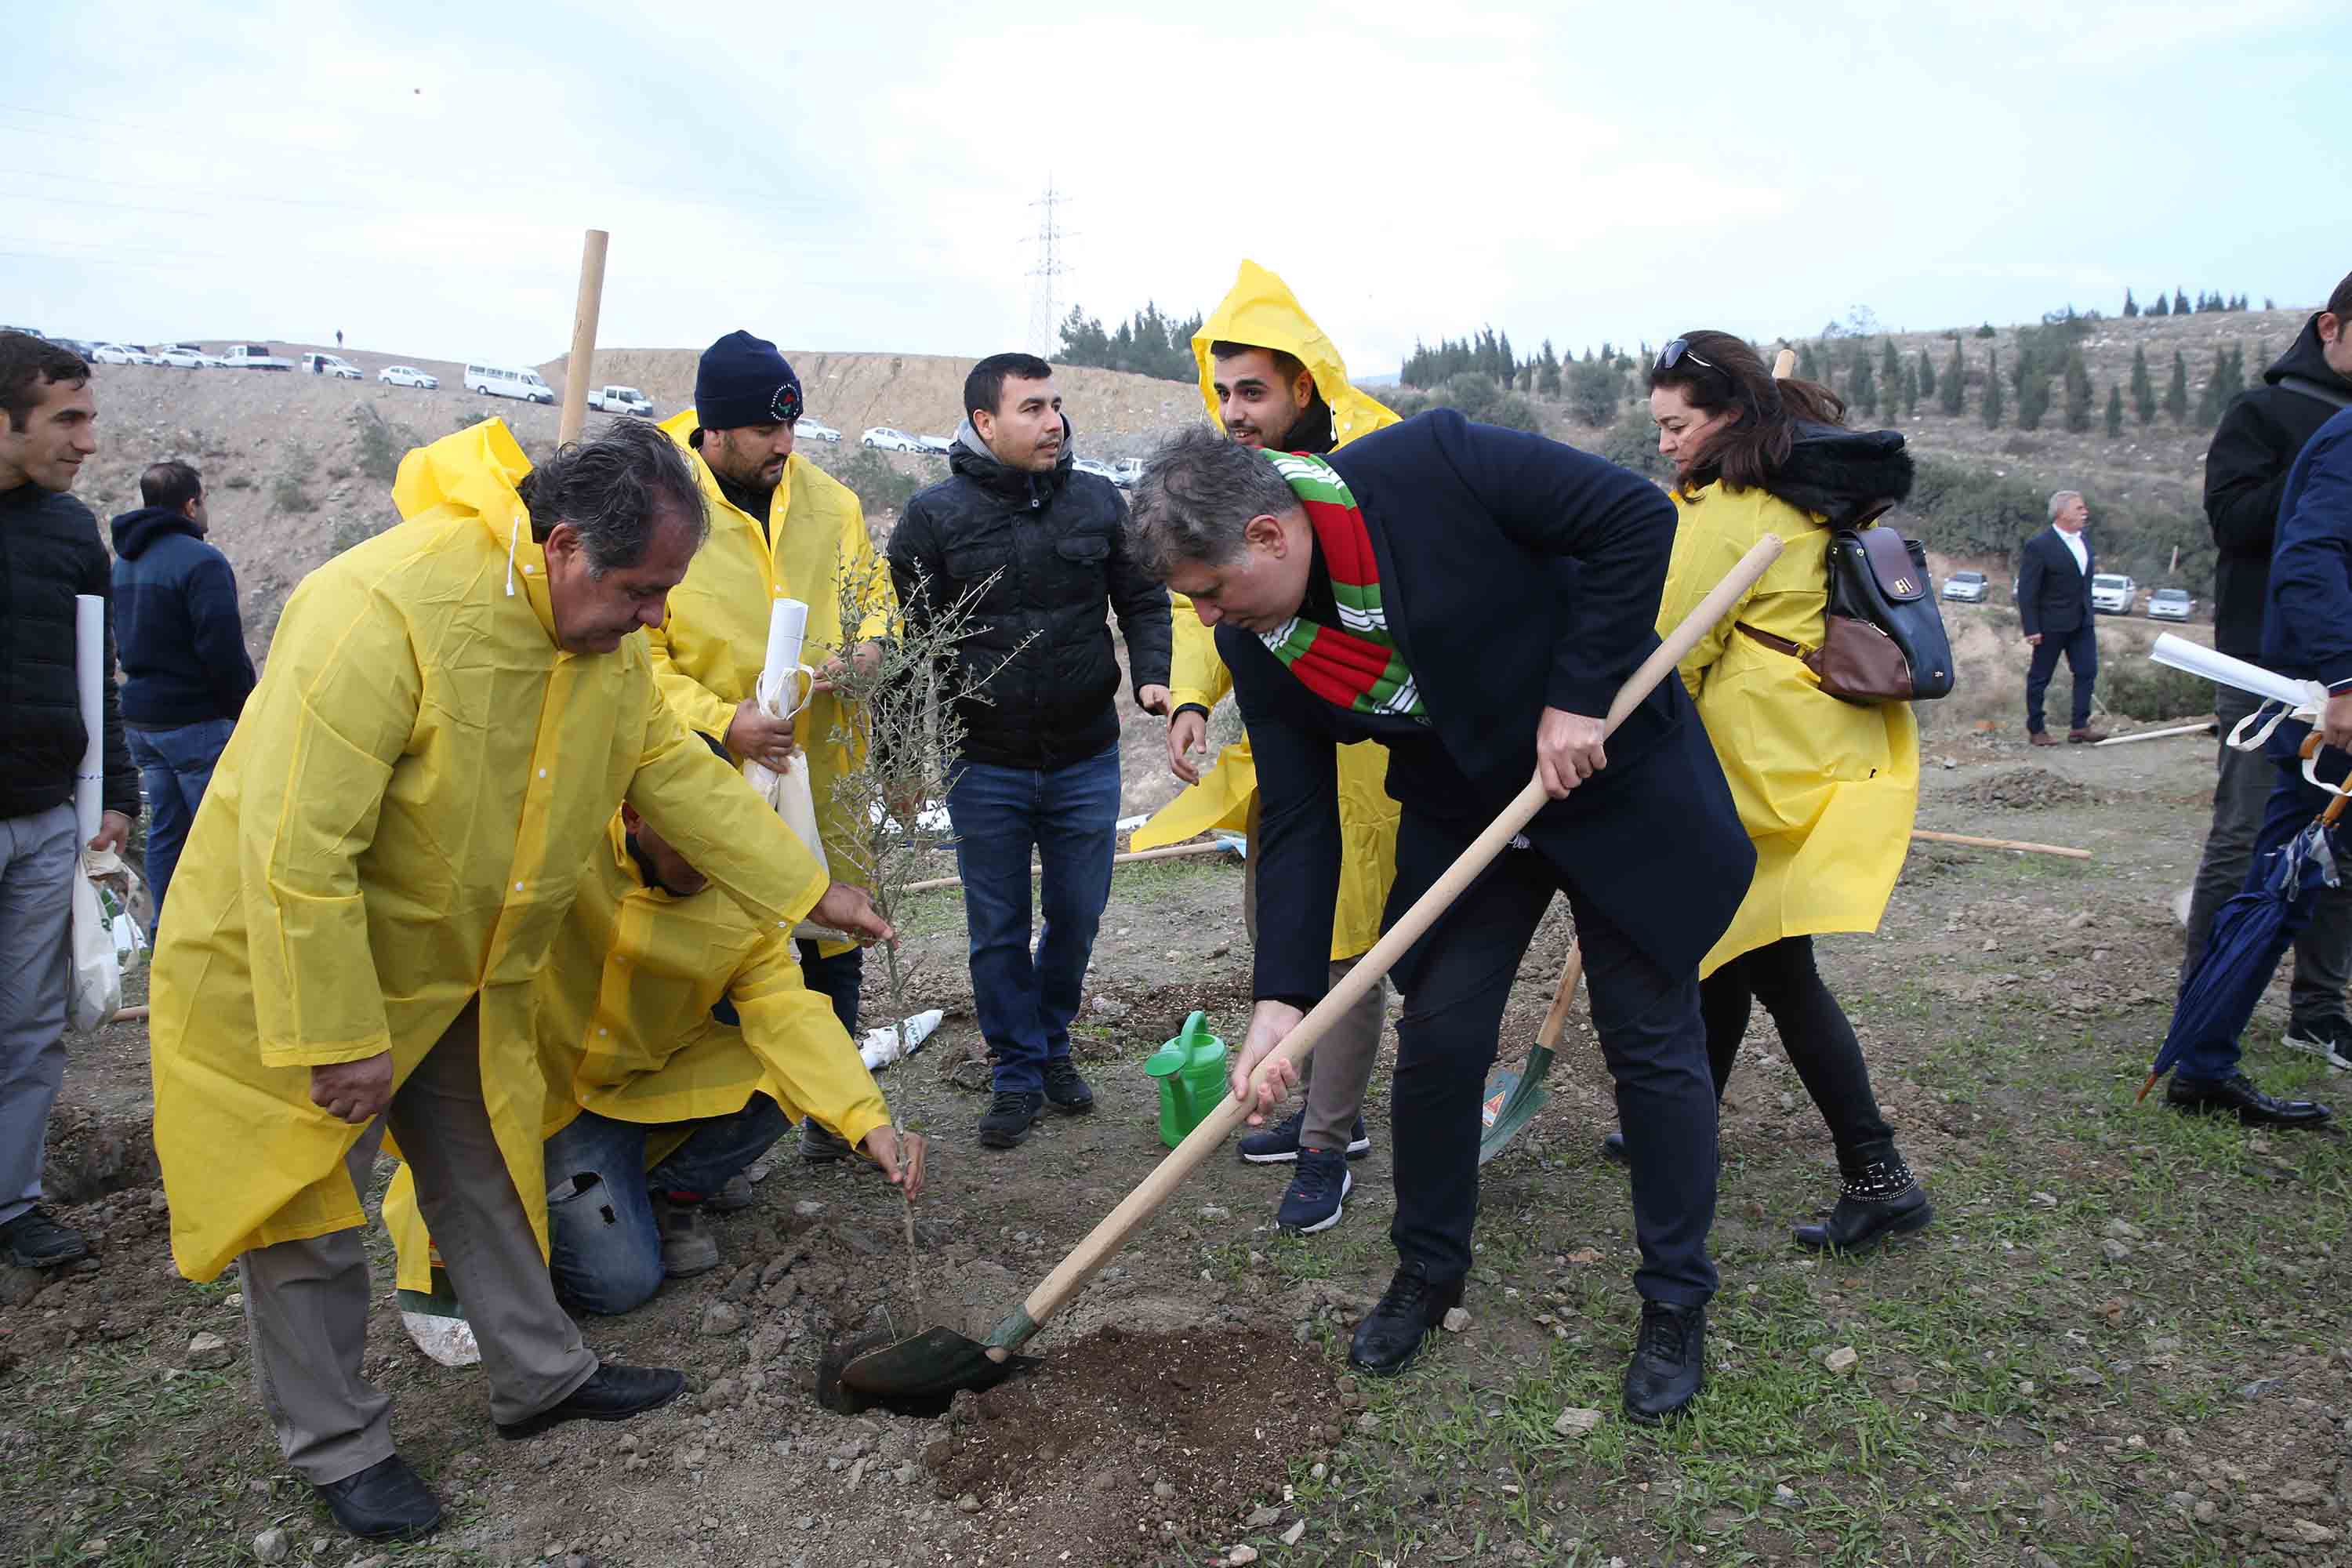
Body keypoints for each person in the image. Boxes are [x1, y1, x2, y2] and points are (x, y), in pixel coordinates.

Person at [147, 418, 895, 1543]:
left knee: (483, 1163)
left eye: (669, 596)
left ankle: (539, 1375)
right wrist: (339, 1032)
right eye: (644, 592)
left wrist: (807, 893)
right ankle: (342, 1447)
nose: (658, 620)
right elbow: (299, 855)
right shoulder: (379, 610)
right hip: (292, 965)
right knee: (300, 1219)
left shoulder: (604, 647)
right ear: (559, 548)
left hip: (452, 965)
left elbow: (673, 775)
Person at [1129, 416, 1752, 1423]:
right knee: (1440, 1038)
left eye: (1211, 589)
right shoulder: (1264, 646)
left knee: (1651, 1041)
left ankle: (1675, 1298)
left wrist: (1580, 694)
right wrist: (1282, 998)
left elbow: (1631, 518)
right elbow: (1296, 812)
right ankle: (1427, 1270)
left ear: (1271, 535)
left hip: (1609, 777)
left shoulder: (1432, 467)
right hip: (1470, 817)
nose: (1206, 619)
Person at [383, 802, 924, 1315]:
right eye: (690, 839)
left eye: (723, 845)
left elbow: (788, 1013)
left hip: (647, 1082)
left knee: (786, 1071)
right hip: (547, 1103)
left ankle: (666, 1195)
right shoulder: (561, 850)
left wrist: (869, 1120)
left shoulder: (740, 900)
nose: (706, 860)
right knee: (618, 1286)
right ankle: (553, 1212)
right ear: (634, 813)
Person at [1633, 332, 1931, 1252]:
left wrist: (1624, 742)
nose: (1665, 443)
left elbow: (1675, 649)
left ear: (1727, 415)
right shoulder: (1802, 484)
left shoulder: (1731, 505)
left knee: (1777, 968)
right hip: (1810, 751)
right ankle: (1691, 1125)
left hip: (1763, 767)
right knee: (1728, 948)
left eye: (1677, 424)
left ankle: (1878, 1172)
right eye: (1658, 427)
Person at [1134, 261, 1401, 1234]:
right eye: (1223, 391)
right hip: (1285, 749)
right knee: (1285, 920)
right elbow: (1205, 603)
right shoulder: (1225, 479)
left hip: (1379, 745)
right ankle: (1315, 1102)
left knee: (1349, 942)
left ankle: (1329, 1142)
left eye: (1254, 390)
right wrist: (1192, 700)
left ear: (1304, 383)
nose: (1236, 410)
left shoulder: (1375, 455)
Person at [887, 353, 1172, 1149]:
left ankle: (1051, 1040)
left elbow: (1143, 596)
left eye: (1056, 405)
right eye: (1033, 408)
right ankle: (1016, 1069)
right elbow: (907, 648)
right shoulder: (932, 519)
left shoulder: (1096, 500)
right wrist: (903, 758)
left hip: (1087, 754)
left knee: (1078, 914)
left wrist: (1154, 678)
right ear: (985, 422)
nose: (1054, 422)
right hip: (986, 761)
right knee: (998, 927)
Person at [649, 331, 893, 1163]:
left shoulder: (831, 501)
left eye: (793, 427)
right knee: (733, 956)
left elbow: (877, 614)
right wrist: (724, 721)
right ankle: (721, 1148)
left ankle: (837, 1120)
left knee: (832, 943)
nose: (785, 446)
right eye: (764, 432)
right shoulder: (665, 508)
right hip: (713, 780)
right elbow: (636, 663)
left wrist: (861, 655)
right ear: (714, 431)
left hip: (827, 771)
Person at [2158, 401, 2352, 1130]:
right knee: (2283, 881)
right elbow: (2307, 557)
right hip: (2332, 713)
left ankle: (2204, 1059)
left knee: (2290, 880)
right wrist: (2344, 677)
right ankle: (2203, 1061)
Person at [2185, 270, 2352, 1067]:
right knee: (2246, 831)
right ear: (2331, 328)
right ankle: (2201, 1003)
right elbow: (2235, 521)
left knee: (2340, 840)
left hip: (2346, 662)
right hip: (2264, 664)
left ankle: (2318, 1009)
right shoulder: (2264, 411)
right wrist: (2325, 467)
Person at [0, 332, 136, 1272]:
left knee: (30, 1025)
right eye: (68, 418)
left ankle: (11, 1204)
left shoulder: (66, 530)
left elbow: (101, 673)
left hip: (49, 816)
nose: (87, 441)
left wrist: (117, 790)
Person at [109, 459, 256, 935]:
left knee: (168, 832)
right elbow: (222, 649)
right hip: (195, 722)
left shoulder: (125, 562)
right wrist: (246, 710)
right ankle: (226, 939)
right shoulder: (202, 561)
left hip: (143, 724)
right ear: (191, 504)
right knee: (221, 833)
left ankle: (167, 934)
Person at [2017, 491, 2107, 745]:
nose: (2085, 512)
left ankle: (2079, 726)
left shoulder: (2084, 541)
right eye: (2079, 508)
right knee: (2040, 677)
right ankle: (2037, 729)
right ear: (2062, 512)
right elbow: (2027, 590)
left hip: (2082, 621)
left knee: (2087, 671)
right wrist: (2031, 627)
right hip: (2050, 624)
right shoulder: (2039, 545)